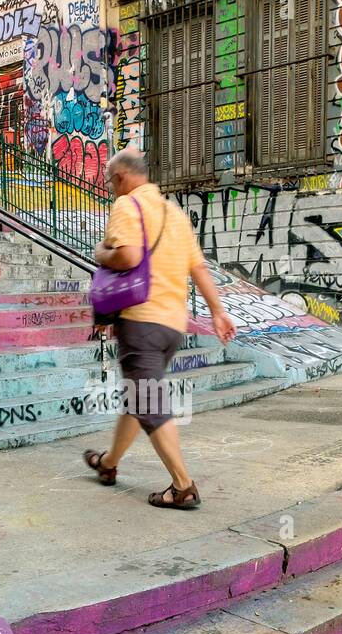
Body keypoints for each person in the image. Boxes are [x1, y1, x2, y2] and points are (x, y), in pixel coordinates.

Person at [83, 146, 236, 510]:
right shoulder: (174, 214)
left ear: (120, 178)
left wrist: (101, 253)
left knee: (147, 401)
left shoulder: (127, 205)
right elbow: (198, 267)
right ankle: (108, 464)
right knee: (139, 397)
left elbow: (129, 256)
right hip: (172, 326)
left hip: (141, 322)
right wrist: (217, 312)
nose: (110, 188)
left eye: (110, 181)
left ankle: (183, 485)